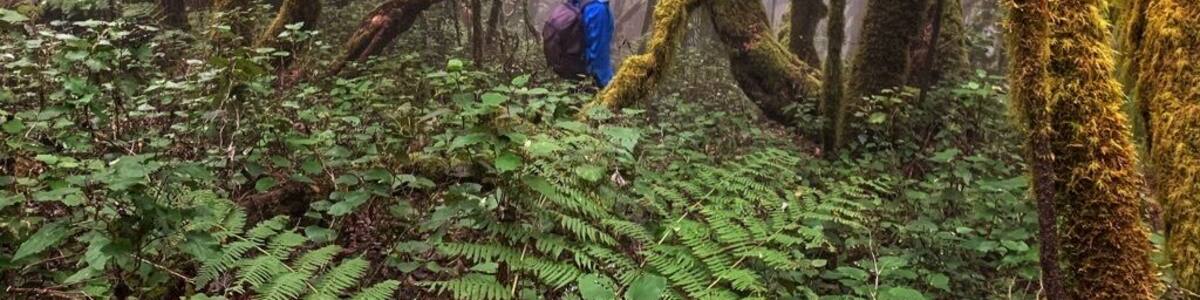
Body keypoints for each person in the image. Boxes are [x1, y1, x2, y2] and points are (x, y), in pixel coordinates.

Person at [574, 0, 614, 87]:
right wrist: (605, 84)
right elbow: (599, 52)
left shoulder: (578, 4)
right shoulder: (598, 9)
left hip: (573, 72)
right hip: (589, 78)